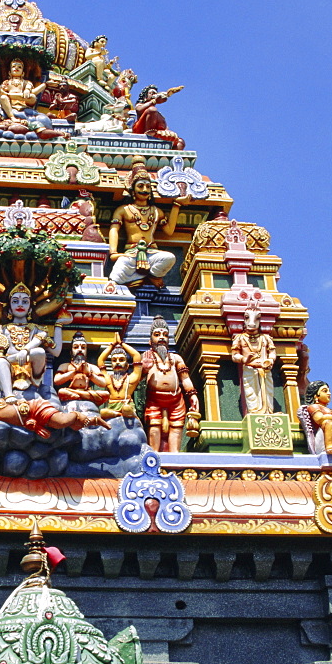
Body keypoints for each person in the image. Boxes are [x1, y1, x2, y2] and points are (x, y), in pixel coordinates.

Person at [0, 284, 69, 403]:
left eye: (25, 302)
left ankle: (8, 361)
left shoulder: (38, 329)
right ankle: (8, 395)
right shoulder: (3, 329)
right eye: (15, 301)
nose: (20, 304)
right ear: (10, 308)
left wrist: (59, 325)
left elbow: (56, 352)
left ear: (30, 308)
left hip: (32, 370)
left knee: (39, 351)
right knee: (1, 361)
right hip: (10, 371)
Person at [108, 162, 189, 288]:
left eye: (147, 186)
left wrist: (176, 205)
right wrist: (113, 252)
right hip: (131, 253)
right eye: (140, 186)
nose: (144, 190)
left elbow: (169, 231)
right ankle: (122, 284)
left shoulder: (156, 211)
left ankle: (151, 276)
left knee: (169, 258)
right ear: (133, 190)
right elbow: (114, 230)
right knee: (118, 271)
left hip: (152, 253)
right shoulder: (123, 210)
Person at [0, 387, 110, 437]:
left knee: (61, 422)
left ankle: (79, 415)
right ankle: (88, 421)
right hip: (33, 416)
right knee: (67, 425)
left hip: (35, 407)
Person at [142, 316, 200, 452]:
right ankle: (154, 456)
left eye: (165, 335)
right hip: (154, 399)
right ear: (150, 341)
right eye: (157, 335)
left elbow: (185, 379)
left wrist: (192, 395)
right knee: (154, 427)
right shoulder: (146, 357)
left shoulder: (175, 358)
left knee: (176, 427)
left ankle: (175, 456)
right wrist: (143, 369)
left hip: (176, 400)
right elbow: (136, 380)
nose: (161, 338)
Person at [231, 302, 276, 414]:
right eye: (247, 318)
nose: (252, 323)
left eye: (257, 319)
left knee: (268, 391)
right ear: (244, 320)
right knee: (251, 392)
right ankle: (254, 412)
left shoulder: (266, 338)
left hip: (265, 370)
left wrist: (270, 360)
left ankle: (268, 411)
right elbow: (234, 355)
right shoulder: (240, 338)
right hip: (249, 369)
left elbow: (272, 353)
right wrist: (245, 359)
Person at [54, 332, 109, 408]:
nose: (80, 350)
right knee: (62, 392)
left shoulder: (92, 367)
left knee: (106, 394)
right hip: (71, 392)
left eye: (83, 348)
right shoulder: (65, 366)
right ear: (71, 352)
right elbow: (57, 381)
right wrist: (74, 372)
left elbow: (103, 383)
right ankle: (83, 397)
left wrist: (89, 374)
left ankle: (79, 396)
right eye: (76, 347)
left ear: (86, 351)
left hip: (84, 392)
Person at [97, 334, 143, 420]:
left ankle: (124, 414)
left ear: (127, 366)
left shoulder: (131, 378)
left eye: (121, 360)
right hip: (112, 406)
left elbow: (136, 356)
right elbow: (100, 361)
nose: (117, 362)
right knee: (102, 412)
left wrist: (122, 343)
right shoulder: (108, 379)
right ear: (111, 365)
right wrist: (112, 345)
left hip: (127, 405)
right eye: (114, 360)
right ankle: (119, 415)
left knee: (126, 408)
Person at [132, 85, 185, 150]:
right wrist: (154, 101)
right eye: (151, 93)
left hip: (157, 133)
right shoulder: (142, 106)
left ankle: (175, 157)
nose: (153, 95)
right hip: (142, 131)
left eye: (155, 93)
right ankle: (149, 133)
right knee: (152, 110)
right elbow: (139, 110)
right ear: (145, 96)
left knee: (180, 141)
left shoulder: (158, 114)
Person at [303, 380, 332, 454]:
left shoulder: (331, 411)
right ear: (316, 396)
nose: (329, 393)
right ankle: (329, 446)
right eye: (325, 391)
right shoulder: (314, 407)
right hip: (322, 438)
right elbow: (319, 419)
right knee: (328, 423)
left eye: (329, 391)